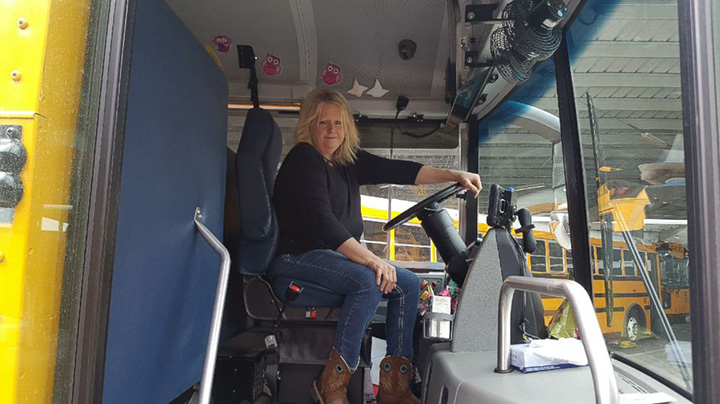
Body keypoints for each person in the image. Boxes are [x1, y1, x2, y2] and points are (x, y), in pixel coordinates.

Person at [269, 89, 482, 404]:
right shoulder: (304, 159)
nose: (332, 131)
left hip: (328, 255)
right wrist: (372, 261)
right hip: (296, 258)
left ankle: (395, 389)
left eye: (338, 123)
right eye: (323, 123)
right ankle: (332, 386)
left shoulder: (344, 160)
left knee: (408, 284)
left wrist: (454, 174)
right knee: (367, 280)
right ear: (309, 126)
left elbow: (398, 171)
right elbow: (324, 224)